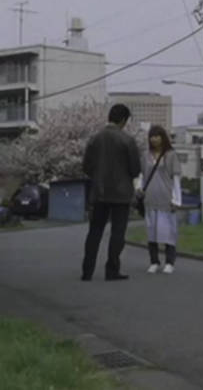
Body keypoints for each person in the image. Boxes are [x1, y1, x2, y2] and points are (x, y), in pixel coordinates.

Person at [81, 104, 142, 281]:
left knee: (95, 232)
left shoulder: (94, 139)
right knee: (118, 232)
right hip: (121, 194)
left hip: (99, 192)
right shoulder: (127, 140)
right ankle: (112, 270)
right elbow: (135, 169)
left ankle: (87, 271)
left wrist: (98, 175)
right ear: (123, 120)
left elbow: (86, 167)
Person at [137, 124, 182, 274]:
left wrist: (176, 199)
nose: (154, 139)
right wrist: (139, 188)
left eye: (157, 136)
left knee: (169, 232)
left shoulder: (170, 155)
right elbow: (142, 175)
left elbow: (175, 178)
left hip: (166, 199)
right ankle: (154, 261)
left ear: (163, 137)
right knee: (152, 232)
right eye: (152, 136)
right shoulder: (145, 155)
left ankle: (170, 262)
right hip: (150, 199)